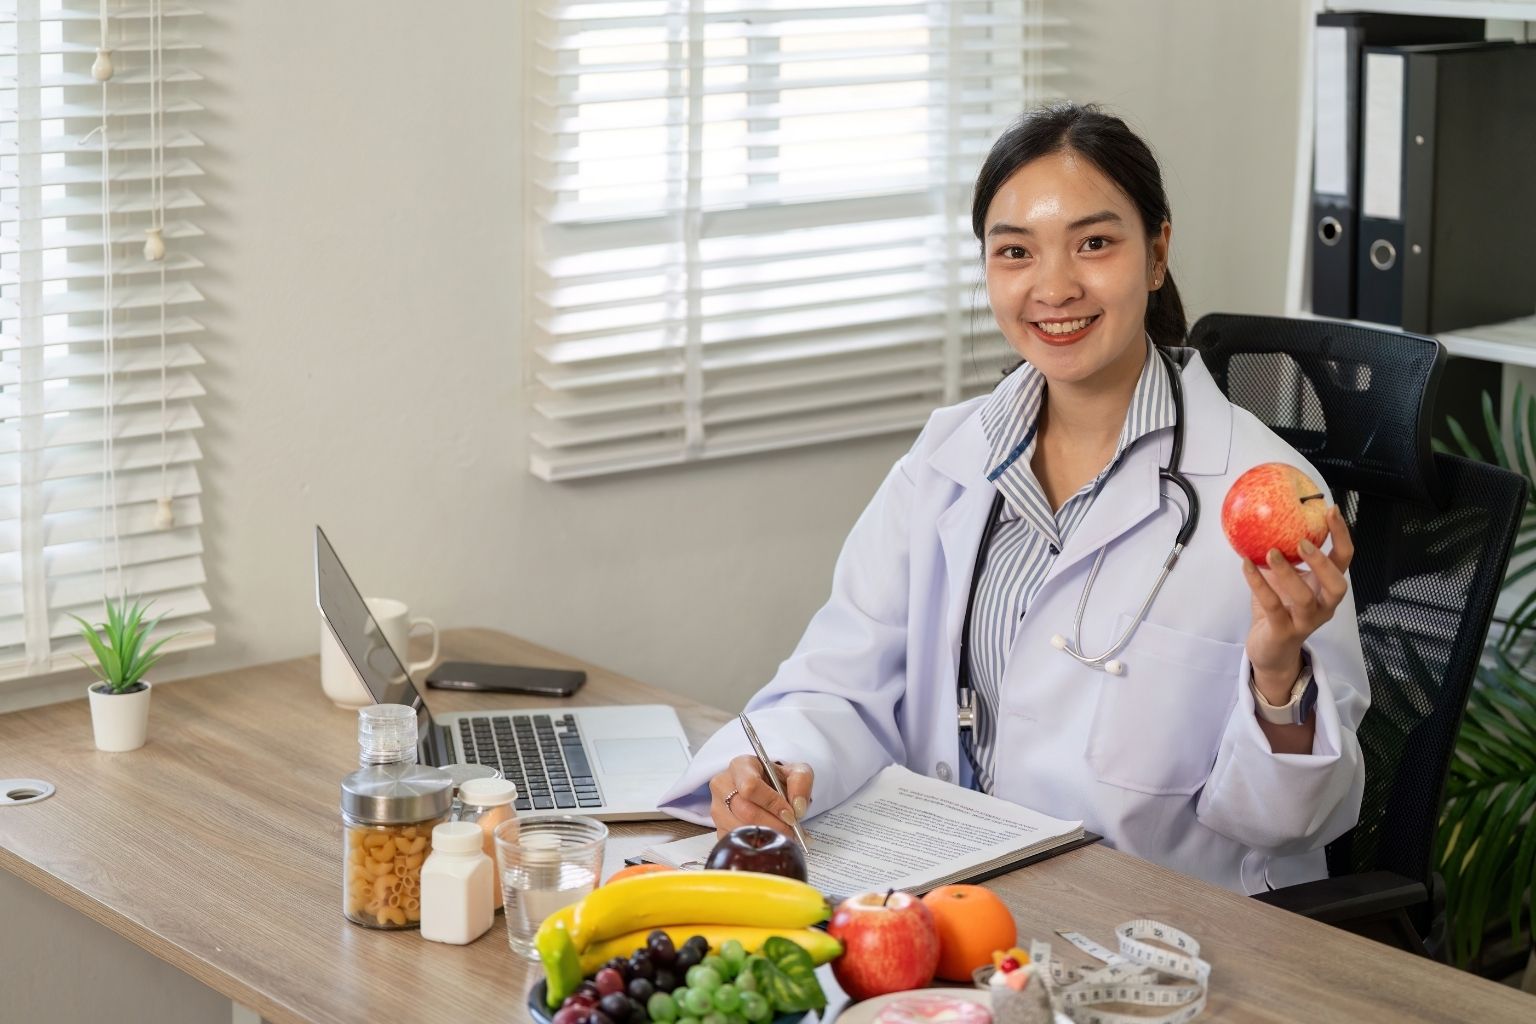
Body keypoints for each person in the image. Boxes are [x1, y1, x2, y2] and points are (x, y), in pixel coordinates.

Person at [657, 103, 1368, 894]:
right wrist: (771, 766)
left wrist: (1277, 679)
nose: (1053, 287)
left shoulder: (1259, 494)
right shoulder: (948, 460)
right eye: (1016, 252)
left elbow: (1288, 826)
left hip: (1154, 924)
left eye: (1094, 244)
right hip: (955, 894)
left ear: (1157, 254)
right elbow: (841, 684)